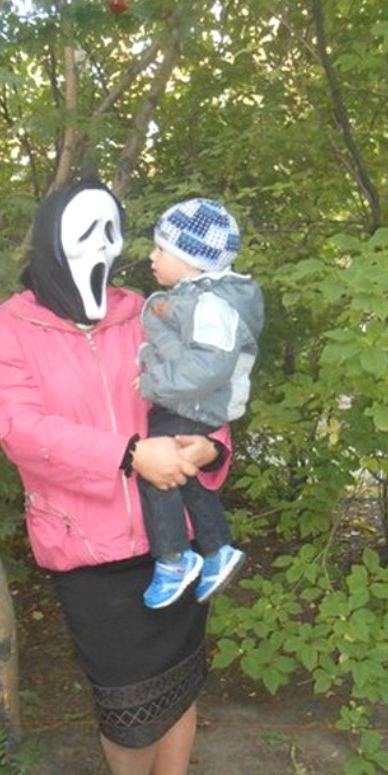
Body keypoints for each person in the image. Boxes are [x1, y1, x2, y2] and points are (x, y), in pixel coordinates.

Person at [0, 180, 232, 775]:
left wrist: (211, 446)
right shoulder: (11, 327)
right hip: (86, 549)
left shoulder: (149, 311)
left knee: (179, 684)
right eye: (85, 228)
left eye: (111, 228)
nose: (104, 244)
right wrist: (127, 455)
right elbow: (21, 431)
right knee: (125, 712)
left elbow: (199, 390)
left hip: (173, 539)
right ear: (50, 237)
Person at [136, 198, 265, 610]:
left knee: (157, 475)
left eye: (162, 249)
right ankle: (217, 549)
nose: (152, 256)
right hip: (192, 405)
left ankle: (174, 558)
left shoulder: (212, 305)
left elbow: (208, 368)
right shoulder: (199, 297)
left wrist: (153, 380)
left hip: (190, 406)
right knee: (188, 477)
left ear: (191, 261)